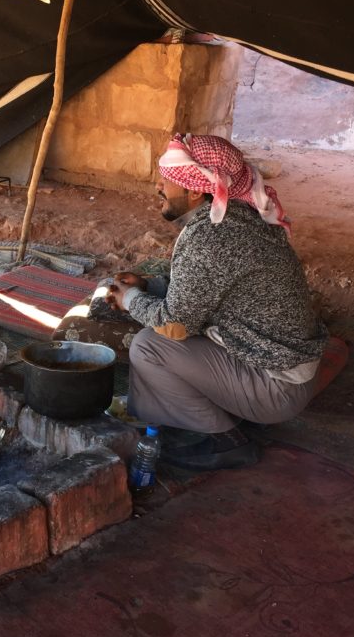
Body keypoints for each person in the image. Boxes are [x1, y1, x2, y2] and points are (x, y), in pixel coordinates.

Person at [106, 134, 328, 471]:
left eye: (166, 181)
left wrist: (131, 299)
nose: (158, 188)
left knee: (150, 346)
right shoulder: (236, 216)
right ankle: (197, 413)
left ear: (195, 190)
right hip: (279, 368)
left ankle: (225, 440)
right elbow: (206, 289)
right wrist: (150, 284)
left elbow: (175, 325)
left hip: (275, 386)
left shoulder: (214, 235)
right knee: (161, 333)